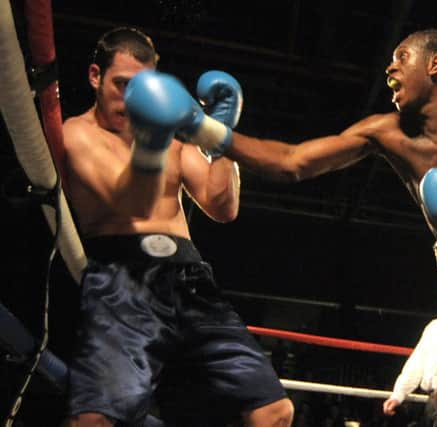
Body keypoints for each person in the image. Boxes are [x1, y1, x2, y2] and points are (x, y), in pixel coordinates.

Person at [181, 28, 437, 426]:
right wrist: (209, 130)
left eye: (402, 58)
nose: (390, 69)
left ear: (435, 64)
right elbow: (294, 162)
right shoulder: (385, 133)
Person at [61, 26, 293, 427]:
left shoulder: (169, 138)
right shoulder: (77, 134)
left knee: (275, 411)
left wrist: (221, 136)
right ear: (95, 76)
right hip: (123, 280)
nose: (131, 99)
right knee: (94, 421)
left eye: (142, 88)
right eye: (121, 85)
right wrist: (153, 138)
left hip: (191, 280)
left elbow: (222, 207)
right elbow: (132, 203)